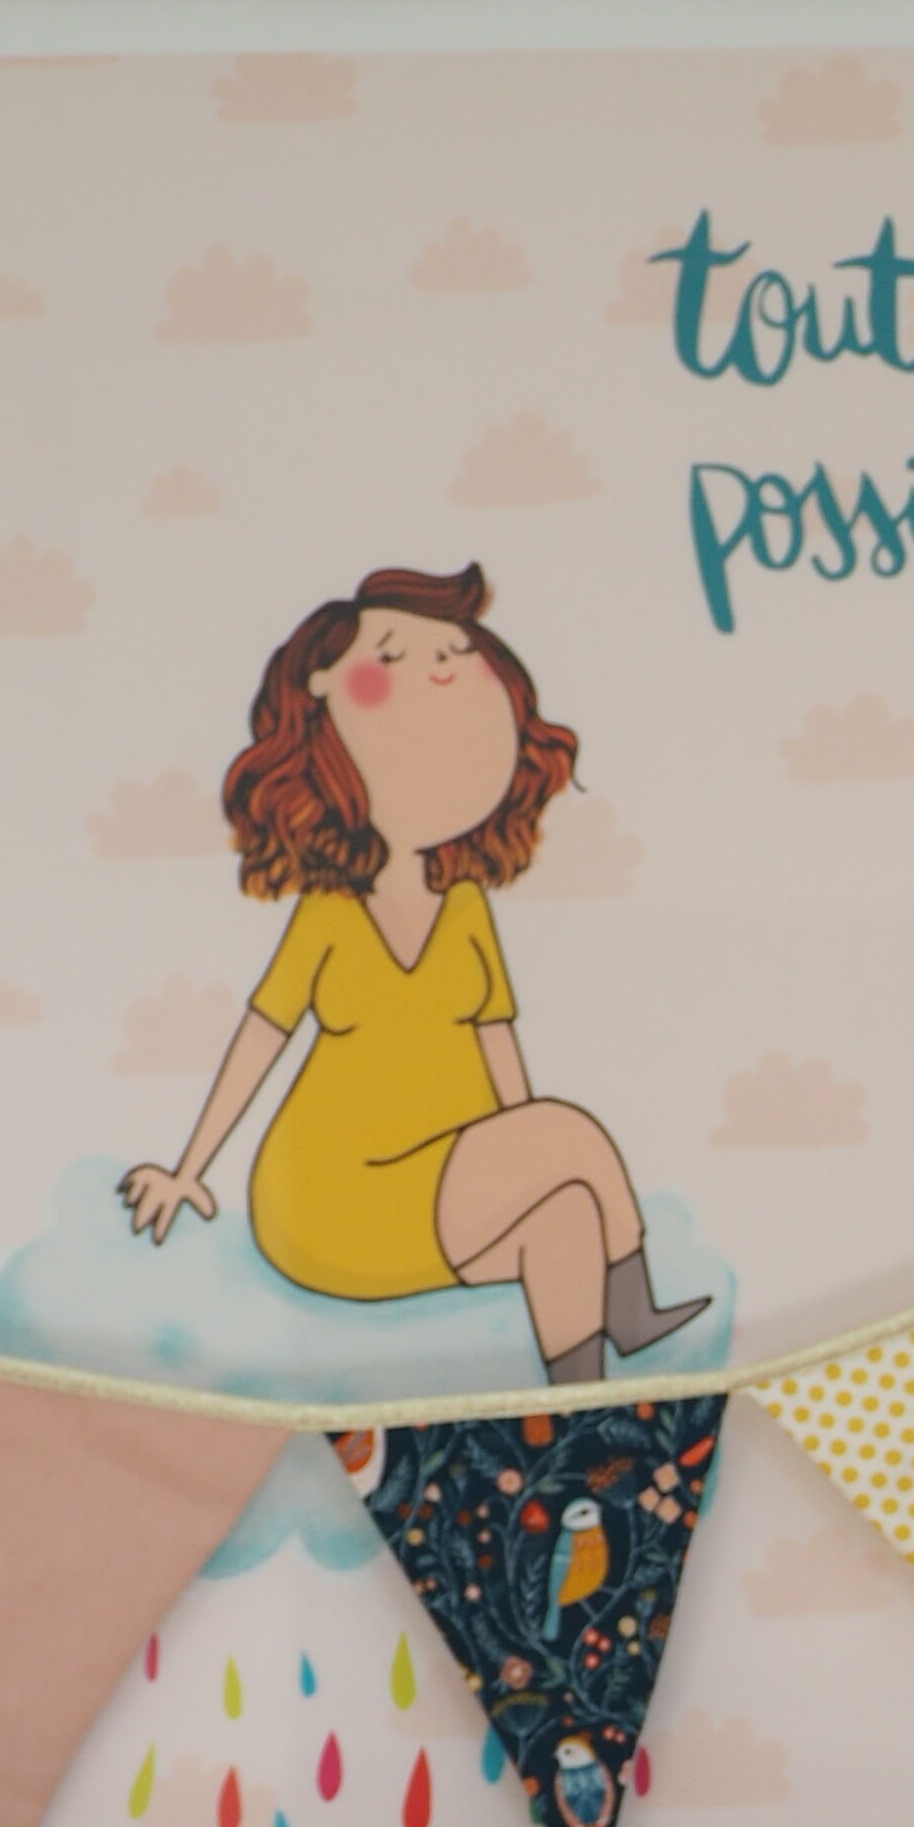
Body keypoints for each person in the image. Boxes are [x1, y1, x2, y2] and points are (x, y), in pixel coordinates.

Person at [119, 562, 705, 1382]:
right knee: (564, 1135)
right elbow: (262, 1037)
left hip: (455, 1178)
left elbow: (499, 1044)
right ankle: (632, 1305)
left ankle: (581, 1415)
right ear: (324, 695)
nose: (442, 681)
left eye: (459, 664)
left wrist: (520, 1149)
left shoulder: (465, 903)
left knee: (566, 1209)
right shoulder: (329, 912)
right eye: (397, 662)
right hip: (336, 1196)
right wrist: (188, 1169)